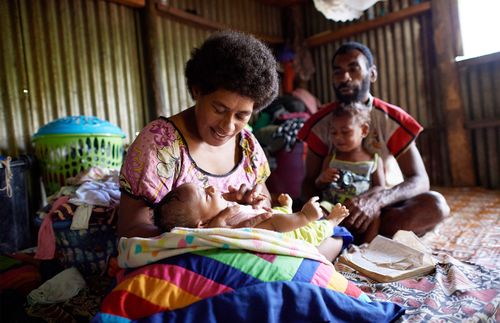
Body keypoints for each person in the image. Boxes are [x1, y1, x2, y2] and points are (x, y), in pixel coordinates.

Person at [117, 30, 279, 238]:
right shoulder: (159, 145)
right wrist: (204, 237)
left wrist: (252, 204)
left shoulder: (247, 145)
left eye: (241, 116)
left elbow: (265, 200)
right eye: (219, 109)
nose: (228, 126)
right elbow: (131, 232)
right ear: (197, 91)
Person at [298, 41, 450, 244]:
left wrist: (377, 200)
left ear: (372, 74)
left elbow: (420, 179)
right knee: (291, 211)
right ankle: (346, 233)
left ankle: (355, 236)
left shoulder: (390, 119)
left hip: (383, 207)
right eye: (338, 71)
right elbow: (309, 182)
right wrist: (322, 214)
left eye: (353, 69)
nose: (345, 78)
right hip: (334, 208)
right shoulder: (319, 123)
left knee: (436, 205)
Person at [153, 182, 349, 247]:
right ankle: (332, 222)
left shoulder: (224, 211)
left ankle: (288, 209)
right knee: (315, 231)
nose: (212, 188)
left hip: (278, 217)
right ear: (202, 225)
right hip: (290, 231)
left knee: (275, 212)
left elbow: (261, 213)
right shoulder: (231, 229)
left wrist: (250, 204)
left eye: (205, 186)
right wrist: (304, 217)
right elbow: (273, 225)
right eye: (205, 195)